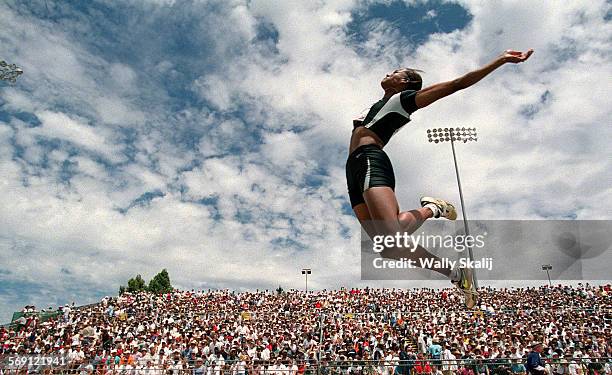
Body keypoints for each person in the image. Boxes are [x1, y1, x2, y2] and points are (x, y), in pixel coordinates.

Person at [346, 48, 533, 308]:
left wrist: (499, 60)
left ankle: (433, 208)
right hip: (352, 168)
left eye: (395, 72)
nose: (389, 73)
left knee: (391, 236)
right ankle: (456, 274)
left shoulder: (405, 99)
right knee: (388, 248)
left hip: (370, 158)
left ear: (406, 82)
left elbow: (457, 84)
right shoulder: (379, 103)